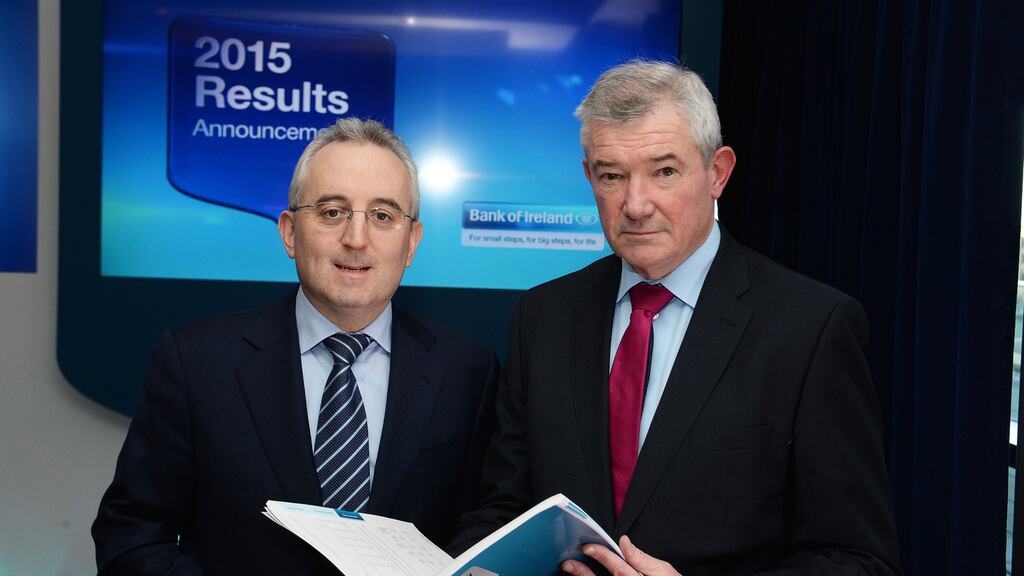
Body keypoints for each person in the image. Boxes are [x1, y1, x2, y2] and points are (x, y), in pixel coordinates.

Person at [449, 60, 901, 575]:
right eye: (612, 176)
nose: (635, 204)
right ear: (588, 176)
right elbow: (505, 509)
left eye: (664, 171)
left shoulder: (812, 328)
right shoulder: (544, 316)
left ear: (717, 173)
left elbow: (861, 560)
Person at [93, 118, 499, 575]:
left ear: (411, 242)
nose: (357, 239)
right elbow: (130, 534)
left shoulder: (468, 371)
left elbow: (481, 523)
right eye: (332, 212)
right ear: (289, 232)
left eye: (383, 216)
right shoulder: (196, 363)